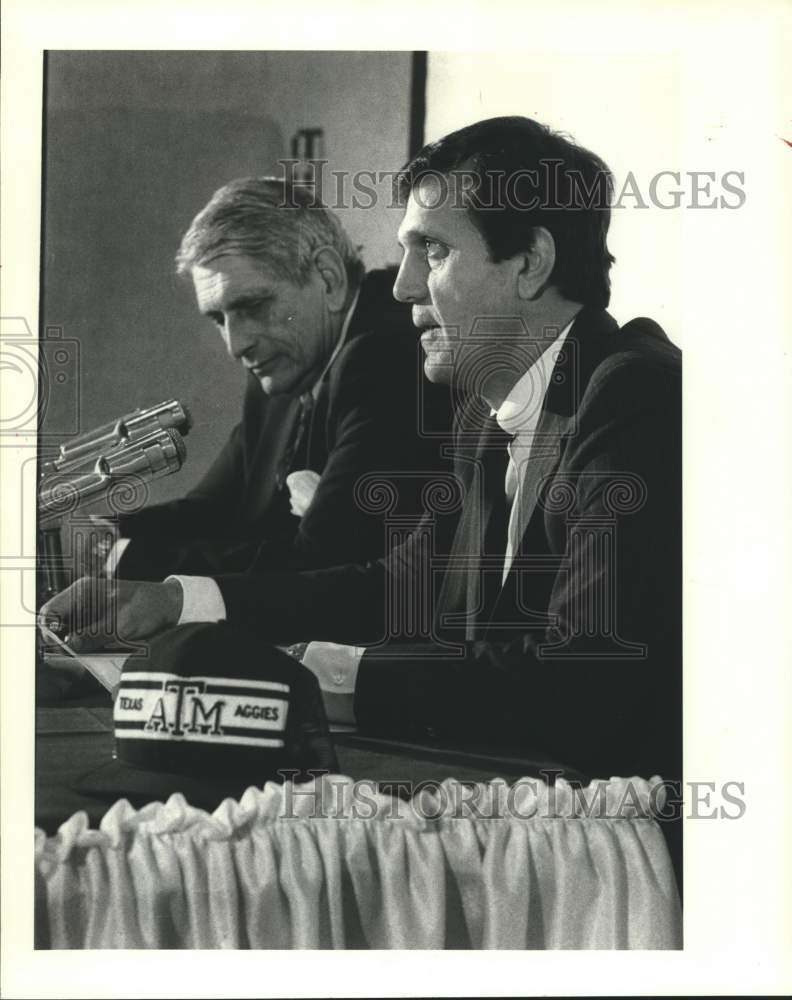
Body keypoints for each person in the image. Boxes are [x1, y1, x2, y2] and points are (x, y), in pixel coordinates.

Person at [44, 117, 681, 787]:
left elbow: (584, 685)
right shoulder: (481, 415)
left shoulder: (632, 395)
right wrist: (177, 602)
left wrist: (316, 673)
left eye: (431, 252)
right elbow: (394, 588)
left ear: (530, 263)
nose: (402, 286)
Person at [88, 177, 450, 581]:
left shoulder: (386, 355)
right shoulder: (286, 360)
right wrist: (100, 537)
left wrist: (121, 559)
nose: (236, 344)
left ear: (328, 278)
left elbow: (320, 562)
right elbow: (212, 510)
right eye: (218, 319)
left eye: (253, 306)